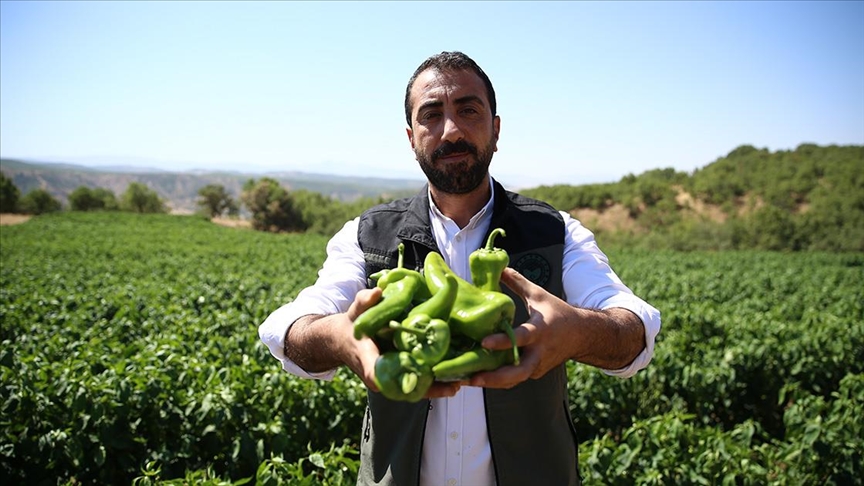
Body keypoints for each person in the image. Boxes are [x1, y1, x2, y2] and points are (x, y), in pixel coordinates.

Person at [259, 51, 661, 486]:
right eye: (432, 115)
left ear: (496, 128)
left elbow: (633, 328)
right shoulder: (367, 236)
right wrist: (340, 337)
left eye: (468, 110)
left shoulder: (556, 233)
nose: (451, 130)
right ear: (411, 137)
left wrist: (577, 331)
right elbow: (288, 326)